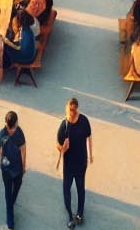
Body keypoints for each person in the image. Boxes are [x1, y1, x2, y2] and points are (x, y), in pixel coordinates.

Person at [57, 97, 92, 227]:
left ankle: (80, 214)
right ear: (67, 108)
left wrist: (90, 155)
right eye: (69, 109)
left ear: (77, 109)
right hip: (68, 165)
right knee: (66, 189)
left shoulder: (84, 121)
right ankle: (70, 216)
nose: (71, 112)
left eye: (73, 109)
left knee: (80, 188)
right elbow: (57, 144)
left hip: (81, 163)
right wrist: (63, 147)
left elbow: (89, 137)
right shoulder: (64, 124)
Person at [0, 110, 26, 229]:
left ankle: (10, 207)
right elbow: (23, 149)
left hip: (12, 169)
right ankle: (10, 222)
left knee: (13, 189)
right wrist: (24, 166)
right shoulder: (11, 133)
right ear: (15, 123)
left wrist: (23, 167)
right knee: (12, 190)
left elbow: (23, 149)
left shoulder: (10, 133)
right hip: (12, 169)